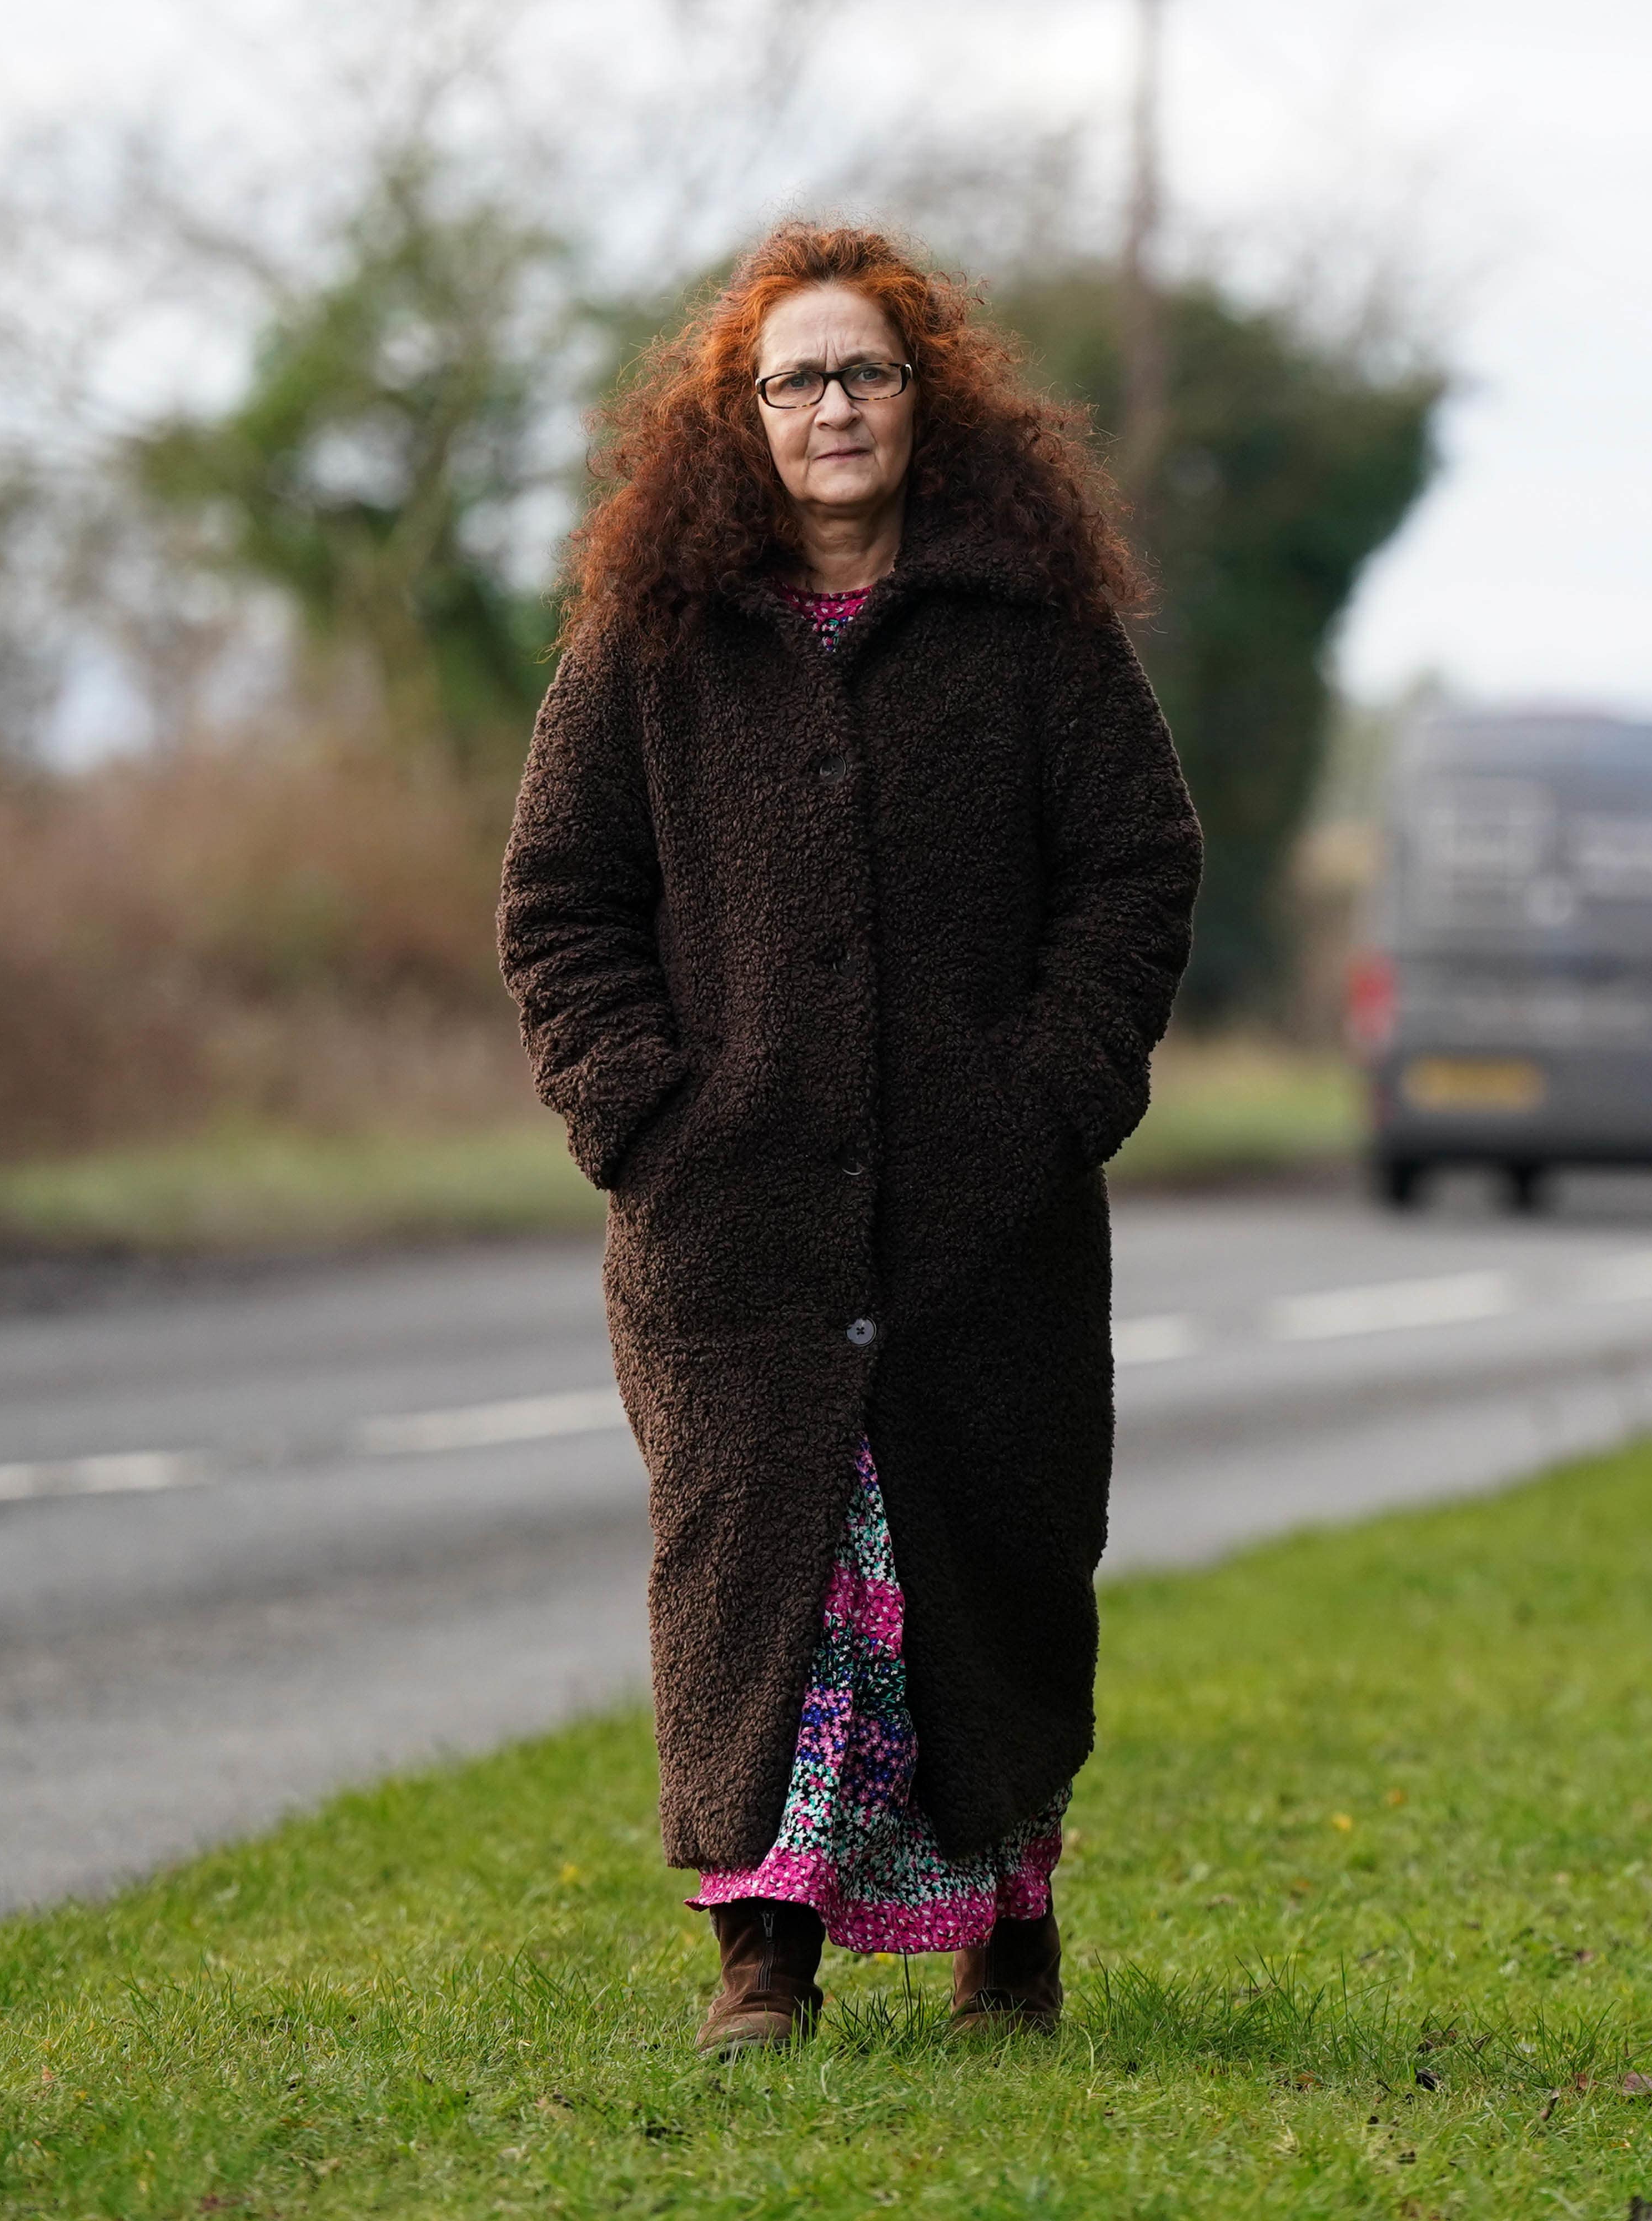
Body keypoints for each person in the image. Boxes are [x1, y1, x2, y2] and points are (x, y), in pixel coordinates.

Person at [498, 222, 1201, 2055]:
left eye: (865, 373)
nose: (831, 407)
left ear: (926, 398)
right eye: (795, 378)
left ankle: (1009, 1937)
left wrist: (1052, 1092)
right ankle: (765, 1958)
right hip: (727, 1233)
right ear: (741, 414)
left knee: (995, 1553)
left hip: (993, 1219)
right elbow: (561, 899)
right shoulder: (646, 645)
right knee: (759, 1571)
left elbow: (1137, 871)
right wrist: (642, 1110)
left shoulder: (1037, 638)